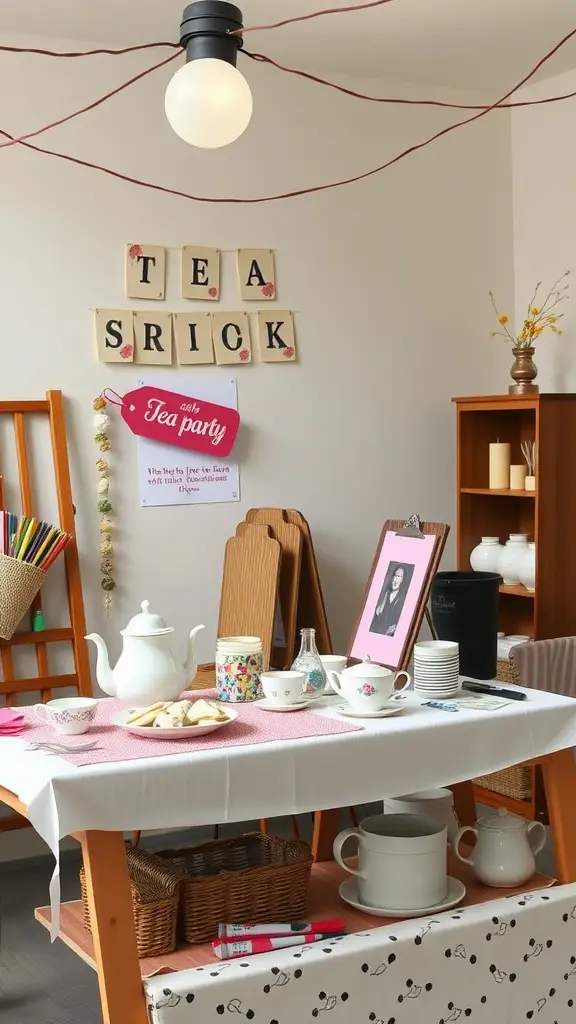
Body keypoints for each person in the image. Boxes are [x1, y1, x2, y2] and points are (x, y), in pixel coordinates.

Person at [370, 562, 414, 637]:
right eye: (395, 576)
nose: (395, 580)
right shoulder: (385, 594)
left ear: (402, 580)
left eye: (399, 577)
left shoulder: (403, 598)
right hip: (377, 634)